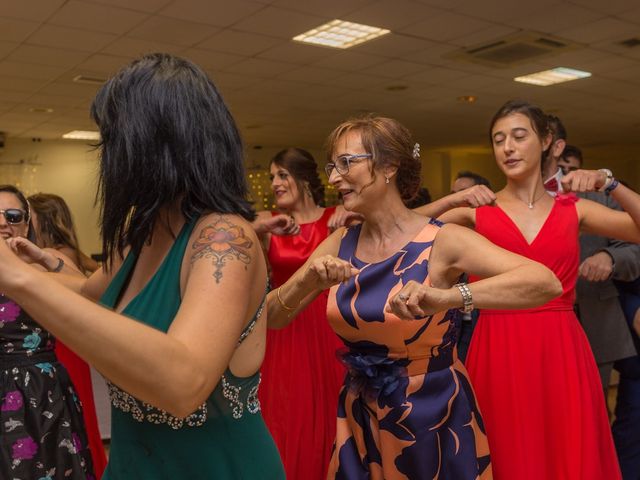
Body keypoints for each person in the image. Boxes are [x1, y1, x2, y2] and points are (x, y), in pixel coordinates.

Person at [0, 53, 285, 479]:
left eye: (113, 139)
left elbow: (184, 383)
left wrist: (20, 279)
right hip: (136, 463)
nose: (107, 157)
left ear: (153, 144)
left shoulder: (223, 237)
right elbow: (86, 295)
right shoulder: (144, 233)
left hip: (212, 467)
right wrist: (42, 264)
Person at [268, 115, 562, 478]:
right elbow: (272, 316)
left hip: (432, 415)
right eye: (333, 166)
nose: (333, 178)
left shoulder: (441, 240)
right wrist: (307, 281)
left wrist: (449, 297)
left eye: (346, 163)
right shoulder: (339, 244)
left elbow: (544, 282)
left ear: (389, 165)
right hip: (361, 416)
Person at [417, 99, 640, 479]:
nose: (507, 147)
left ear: (546, 141)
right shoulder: (476, 214)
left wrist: (610, 183)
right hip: (497, 345)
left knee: (566, 451)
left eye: (519, 136)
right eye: (498, 139)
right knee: (508, 452)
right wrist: (453, 199)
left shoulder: (574, 209)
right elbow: (400, 233)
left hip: (561, 348)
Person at [252, 147, 345, 480]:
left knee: (332, 411)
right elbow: (236, 233)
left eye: (282, 175)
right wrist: (265, 229)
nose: (275, 183)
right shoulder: (267, 220)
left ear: (304, 179)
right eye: (272, 177)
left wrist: (349, 219)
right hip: (284, 326)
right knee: (287, 414)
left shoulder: (337, 216)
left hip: (326, 325)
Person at [0, 185, 95, 479]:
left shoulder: (47, 259)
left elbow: (90, 298)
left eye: (12, 215)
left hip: (41, 390)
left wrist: (41, 259)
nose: (3, 222)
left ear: (27, 223)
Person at [28, 192, 108, 478]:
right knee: (80, 419)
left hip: (60, 345)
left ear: (42, 221)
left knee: (70, 421)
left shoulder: (49, 256)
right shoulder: (67, 253)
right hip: (71, 345)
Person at [555, 147, 639, 393]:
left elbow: (634, 251)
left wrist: (610, 257)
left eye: (572, 169)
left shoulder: (600, 200)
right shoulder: (524, 205)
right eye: (561, 168)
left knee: (595, 403)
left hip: (595, 317)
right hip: (541, 322)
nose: (565, 176)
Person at [448, 171, 493, 362]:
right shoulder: (448, 231)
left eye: (465, 192)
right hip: (452, 324)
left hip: (484, 320)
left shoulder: (492, 229)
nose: (459, 198)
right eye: (454, 193)